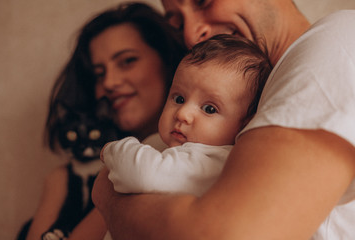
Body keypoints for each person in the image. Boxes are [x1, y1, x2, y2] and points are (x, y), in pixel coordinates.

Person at [92, 0, 355, 239]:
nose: (191, 34)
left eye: (202, 2)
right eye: (178, 22)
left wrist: (107, 195)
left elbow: (225, 234)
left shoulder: (339, 37)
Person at [23, 2, 185, 240]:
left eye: (127, 60)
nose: (108, 82)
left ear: (168, 60)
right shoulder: (67, 179)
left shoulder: (208, 154)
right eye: (99, 74)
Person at [101, 34, 272, 198]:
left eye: (209, 109)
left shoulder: (214, 162)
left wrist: (111, 150)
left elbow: (140, 173)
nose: (182, 114)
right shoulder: (159, 142)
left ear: (244, 125)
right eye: (179, 98)